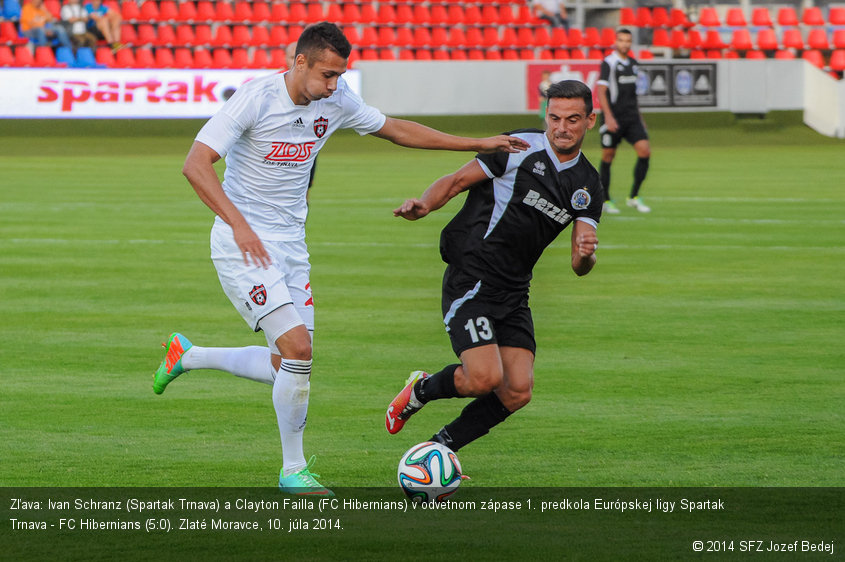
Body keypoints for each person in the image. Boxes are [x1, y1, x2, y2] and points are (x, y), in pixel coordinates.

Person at [153, 22, 528, 496]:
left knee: (282, 365)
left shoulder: (335, 98)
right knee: (298, 352)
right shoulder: (255, 98)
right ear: (300, 62)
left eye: (339, 76)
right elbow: (195, 163)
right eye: (327, 75)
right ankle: (294, 470)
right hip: (240, 243)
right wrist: (239, 224)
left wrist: (476, 143)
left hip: (290, 245)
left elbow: (395, 129)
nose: (334, 85)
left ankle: (188, 355)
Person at [385, 80, 601, 460]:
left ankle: (438, 450)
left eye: (572, 119)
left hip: (515, 290)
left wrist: (586, 254)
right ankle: (421, 390)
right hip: (472, 277)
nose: (561, 128)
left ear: (590, 121)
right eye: (554, 118)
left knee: (517, 391)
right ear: (545, 116)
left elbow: (579, 265)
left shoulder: (588, 185)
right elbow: (454, 182)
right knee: (484, 378)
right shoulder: (516, 148)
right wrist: (424, 206)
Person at [595, 28, 651, 214]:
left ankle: (634, 197)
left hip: (631, 117)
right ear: (616, 42)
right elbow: (602, 91)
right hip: (614, 117)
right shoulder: (609, 63)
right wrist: (608, 117)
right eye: (621, 40)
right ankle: (605, 199)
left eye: (628, 40)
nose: (624, 44)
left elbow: (633, 95)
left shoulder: (634, 64)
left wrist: (640, 119)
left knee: (644, 151)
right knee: (608, 156)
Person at [286, 41, 317, 193]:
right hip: (278, 149)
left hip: (305, 147)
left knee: (304, 192)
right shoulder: (272, 89)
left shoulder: (315, 89)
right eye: (291, 57)